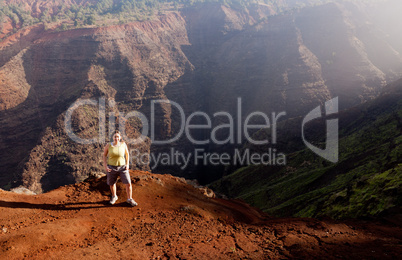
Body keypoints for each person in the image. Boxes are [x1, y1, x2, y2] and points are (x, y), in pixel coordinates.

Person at [103, 130, 138, 206]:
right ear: (113, 137)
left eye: (118, 137)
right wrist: (106, 166)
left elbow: (127, 154)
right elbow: (104, 155)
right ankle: (114, 196)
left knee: (128, 183)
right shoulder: (109, 145)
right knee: (112, 183)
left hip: (122, 167)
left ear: (120, 137)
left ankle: (129, 199)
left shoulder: (123, 144)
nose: (116, 138)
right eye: (115, 136)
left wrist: (127, 164)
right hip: (111, 167)